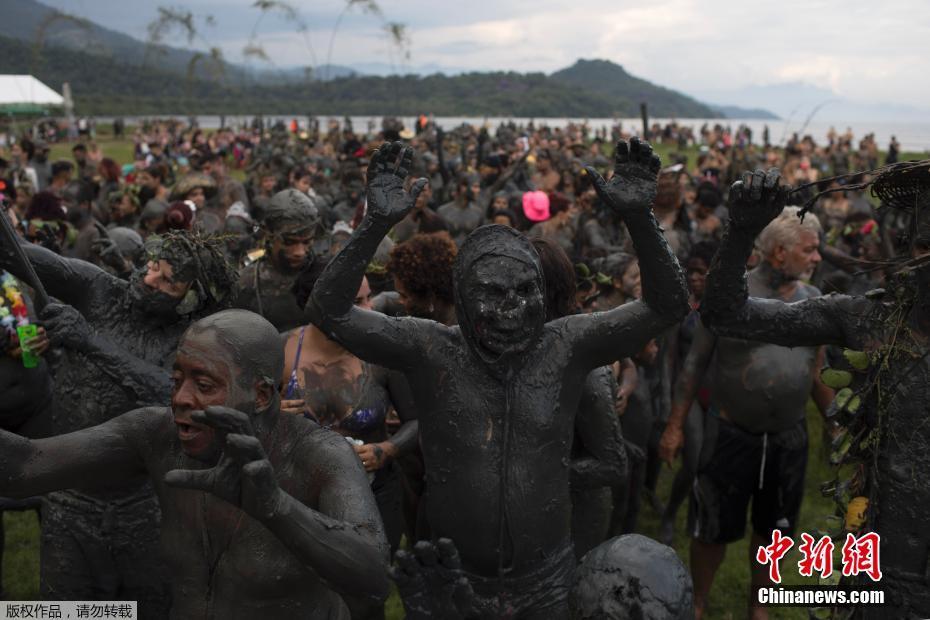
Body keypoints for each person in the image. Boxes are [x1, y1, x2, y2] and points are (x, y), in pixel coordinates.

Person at [308, 139, 688, 616]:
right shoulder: (431, 349)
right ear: (463, 299)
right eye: (492, 293)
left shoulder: (565, 346)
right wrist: (376, 222)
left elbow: (668, 306)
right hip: (454, 578)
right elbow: (328, 311)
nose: (513, 309)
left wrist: (639, 217)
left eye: (526, 290)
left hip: (547, 579)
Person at [0, 310, 389, 618]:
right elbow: (22, 468)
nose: (181, 398)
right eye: (176, 381)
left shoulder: (318, 455)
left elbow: (373, 579)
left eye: (204, 386)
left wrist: (277, 508)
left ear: (260, 395)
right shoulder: (156, 433)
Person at [698, 166, 930, 618]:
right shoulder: (867, 319)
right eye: (926, 247)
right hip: (881, 558)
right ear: (907, 250)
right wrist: (742, 230)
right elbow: (725, 314)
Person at [0, 229, 238, 618]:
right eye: (152, 266)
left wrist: (90, 341)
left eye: (168, 281)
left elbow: (174, 398)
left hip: (143, 503)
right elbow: (16, 255)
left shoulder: (192, 336)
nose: (149, 279)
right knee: (67, 611)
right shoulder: (98, 289)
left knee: (141, 610)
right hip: (68, 497)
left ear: (189, 300)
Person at [659, 194, 833, 619]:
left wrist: (836, 423)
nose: (817, 257)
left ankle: (760, 603)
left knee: (776, 529)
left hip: (789, 437)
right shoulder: (729, 294)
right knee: (712, 525)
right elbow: (695, 364)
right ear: (780, 252)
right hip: (729, 433)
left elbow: (817, 372)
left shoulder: (813, 299)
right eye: (809, 249)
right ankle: (698, 601)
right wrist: (675, 425)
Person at [235, 189, 320, 331]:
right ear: (269, 235)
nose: (299, 252)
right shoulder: (247, 282)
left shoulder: (323, 275)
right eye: (289, 242)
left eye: (306, 242)